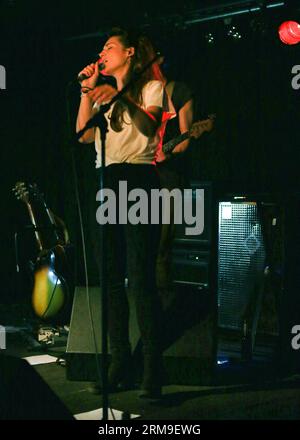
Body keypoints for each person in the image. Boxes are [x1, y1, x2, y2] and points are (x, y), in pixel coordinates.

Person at [76, 27, 165, 399]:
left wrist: (120, 98)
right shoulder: (101, 94)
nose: (102, 52)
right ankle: (118, 362)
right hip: (106, 179)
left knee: (139, 276)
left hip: (140, 177)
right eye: (101, 48)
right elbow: (82, 135)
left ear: (129, 53)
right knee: (110, 276)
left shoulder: (151, 87)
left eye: (109, 47)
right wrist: (87, 92)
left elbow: (150, 125)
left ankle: (151, 369)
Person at [155, 79, 213, 293]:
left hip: (167, 177)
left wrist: (167, 153)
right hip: (141, 178)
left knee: (162, 245)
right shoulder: (138, 91)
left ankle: (161, 303)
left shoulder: (179, 91)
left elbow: (185, 139)